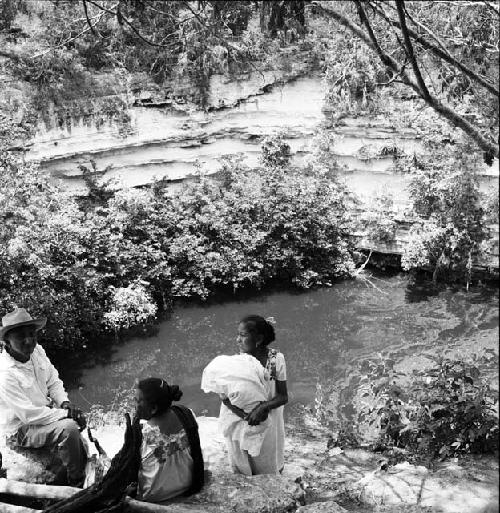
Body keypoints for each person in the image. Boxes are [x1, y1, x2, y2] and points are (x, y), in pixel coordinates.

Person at [0, 308, 87, 486]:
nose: (29, 340)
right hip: (22, 428)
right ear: (7, 342)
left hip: (43, 415)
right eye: (21, 337)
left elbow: (53, 380)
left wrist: (64, 402)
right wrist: (65, 415)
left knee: (74, 419)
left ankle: (78, 466)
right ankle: (76, 481)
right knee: (69, 428)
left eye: (32, 334)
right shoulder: (5, 373)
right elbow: (28, 415)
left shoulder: (37, 351)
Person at [218, 315, 288, 475]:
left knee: (268, 459)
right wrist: (242, 414)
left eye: (243, 335)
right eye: (238, 335)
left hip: (268, 420)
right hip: (240, 419)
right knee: (242, 462)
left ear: (259, 339)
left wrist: (263, 407)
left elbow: (283, 396)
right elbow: (226, 398)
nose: (237, 340)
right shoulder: (239, 362)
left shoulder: (275, 359)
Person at [134, 378, 204, 503]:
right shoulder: (186, 414)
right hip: (187, 485)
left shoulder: (141, 434)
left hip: (155, 496)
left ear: (154, 408)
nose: (134, 403)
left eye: (138, 401)